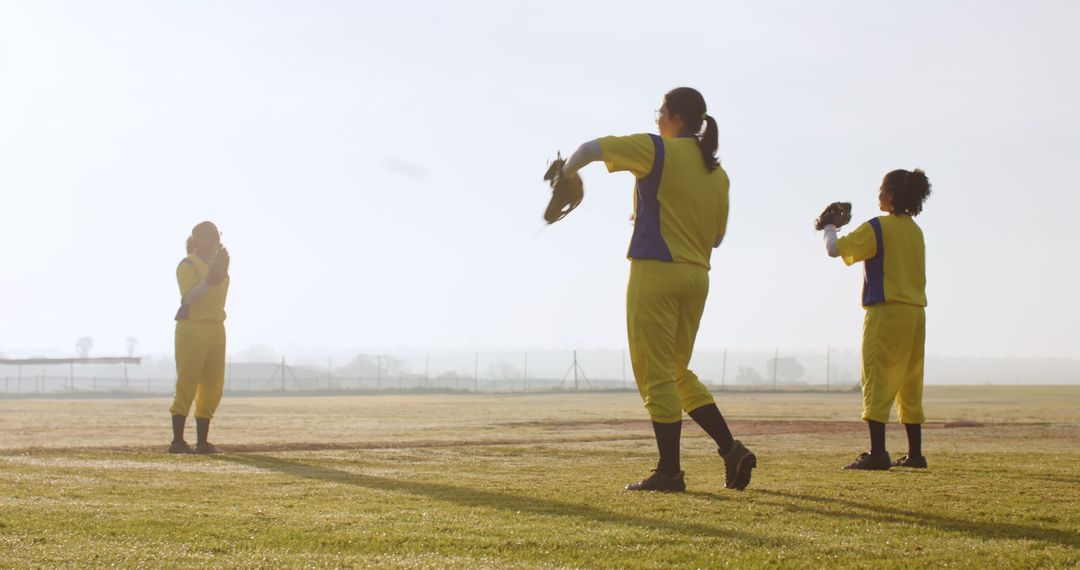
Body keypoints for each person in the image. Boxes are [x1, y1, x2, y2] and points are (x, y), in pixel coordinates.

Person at [558, 87, 756, 491]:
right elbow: (717, 237)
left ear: (677, 118)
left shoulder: (656, 150)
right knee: (678, 371)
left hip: (656, 272)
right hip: (697, 277)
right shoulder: (718, 174)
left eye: (661, 111)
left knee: (655, 375)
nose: (656, 118)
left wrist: (567, 173)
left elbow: (588, 149)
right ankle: (731, 449)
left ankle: (669, 473)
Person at [819, 169, 932, 470]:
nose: (878, 194)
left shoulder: (878, 227)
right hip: (915, 313)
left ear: (891, 195)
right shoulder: (915, 231)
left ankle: (878, 452)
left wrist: (829, 226)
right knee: (910, 381)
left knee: (878, 377)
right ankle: (915, 453)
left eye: (881, 189)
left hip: (886, 312)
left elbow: (835, 250)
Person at [168, 221, 230, 454]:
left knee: (213, 384)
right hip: (192, 327)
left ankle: (202, 441)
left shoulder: (219, 266)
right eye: (208, 237)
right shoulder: (188, 265)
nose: (213, 241)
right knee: (188, 380)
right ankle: (177, 440)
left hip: (216, 326)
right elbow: (189, 299)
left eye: (215, 237)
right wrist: (209, 280)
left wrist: (218, 272)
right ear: (197, 239)